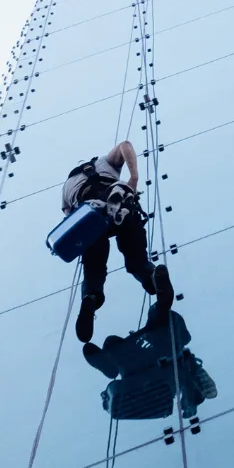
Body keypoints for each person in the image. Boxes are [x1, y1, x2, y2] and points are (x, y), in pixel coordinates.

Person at [61, 140, 174, 343]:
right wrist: (133, 177)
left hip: (87, 216)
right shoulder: (103, 163)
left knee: (94, 268)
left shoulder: (66, 188)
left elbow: (68, 220)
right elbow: (125, 145)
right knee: (137, 260)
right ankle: (153, 279)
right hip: (112, 195)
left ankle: (90, 298)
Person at [83, 304, 217, 420]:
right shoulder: (154, 342)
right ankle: (191, 382)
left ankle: (191, 384)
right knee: (112, 343)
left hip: (151, 374)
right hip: (154, 372)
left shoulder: (140, 349)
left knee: (112, 343)